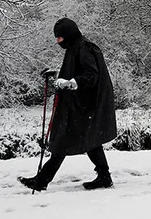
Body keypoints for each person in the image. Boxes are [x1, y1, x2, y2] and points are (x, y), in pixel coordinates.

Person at [18, 18, 117, 191]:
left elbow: (91, 76)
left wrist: (70, 83)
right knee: (89, 141)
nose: (58, 41)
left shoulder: (84, 48)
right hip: (80, 105)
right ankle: (104, 177)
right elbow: (75, 72)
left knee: (66, 139)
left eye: (60, 38)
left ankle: (41, 181)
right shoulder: (74, 48)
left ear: (69, 35)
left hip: (85, 106)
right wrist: (57, 75)